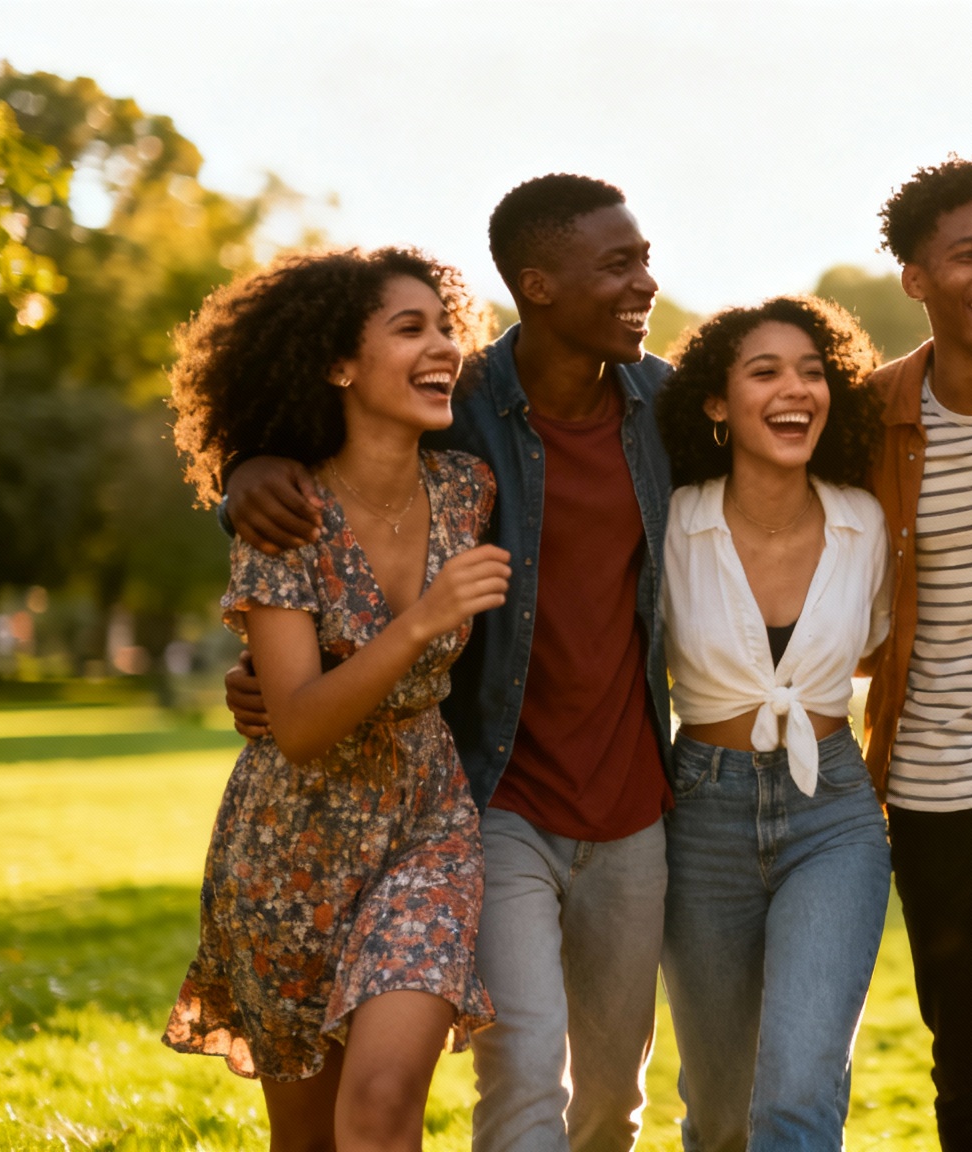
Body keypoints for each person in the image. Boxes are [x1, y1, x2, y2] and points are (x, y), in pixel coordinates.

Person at [219, 175, 677, 1152]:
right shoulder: (464, 414)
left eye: (442, 327)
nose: (646, 281)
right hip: (456, 803)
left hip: (540, 810)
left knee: (570, 1104)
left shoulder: (652, 411)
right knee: (465, 1096)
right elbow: (326, 424)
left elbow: (785, 422)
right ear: (538, 284)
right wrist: (246, 468)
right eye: (619, 263)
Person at [162, 247, 507, 1151]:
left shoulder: (468, 489)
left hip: (428, 823)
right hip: (289, 846)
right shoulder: (284, 516)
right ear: (337, 364)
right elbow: (303, 725)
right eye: (410, 329)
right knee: (309, 1140)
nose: (443, 347)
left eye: (446, 327)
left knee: (387, 1101)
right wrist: (423, 620)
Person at [652, 296, 894, 1151]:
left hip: (832, 811)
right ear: (717, 403)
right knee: (719, 1116)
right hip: (699, 815)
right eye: (765, 372)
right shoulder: (674, 522)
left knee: (795, 1094)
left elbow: (886, 646)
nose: (796, 390)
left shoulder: (869, 522)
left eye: (813, 372)